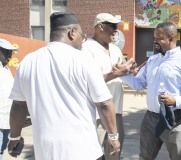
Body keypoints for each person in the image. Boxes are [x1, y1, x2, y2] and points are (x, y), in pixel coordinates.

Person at [7, 12, 120, 160]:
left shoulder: (27, 62)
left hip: (45, 153)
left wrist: (14, 137)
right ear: (72, 33)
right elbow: (104, 103)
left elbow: (19, 106)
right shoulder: (84, 60)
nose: (83, 38)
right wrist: (113, 137)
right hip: (85, 152)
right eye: (81, 34)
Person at [118, 22, 181, 160]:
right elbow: (139, 84)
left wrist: (176, 100)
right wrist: (121, 74)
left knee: (179, 158)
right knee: (145, 157)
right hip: (150, 120)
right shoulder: (152, 60)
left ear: (171, 38)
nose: (155, 41)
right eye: (154, 38)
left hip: (175, 120)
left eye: (159, 38)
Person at [82, 13, 134, 160]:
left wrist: (129, 71)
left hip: (116, 113)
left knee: (114, 154)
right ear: (100, 27)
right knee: (93, 155)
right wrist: (116, 74)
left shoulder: (116, 49)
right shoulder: (86, 49)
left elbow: (121, 72)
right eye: (113, 26)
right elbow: (86, 82)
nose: (116, 30)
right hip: (97, 114)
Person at [0, 38, 18, 160]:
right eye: (6, 51)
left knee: (1, 151)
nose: (10, 55)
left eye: (11, 52)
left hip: (6, 122)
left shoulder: (6, 70)